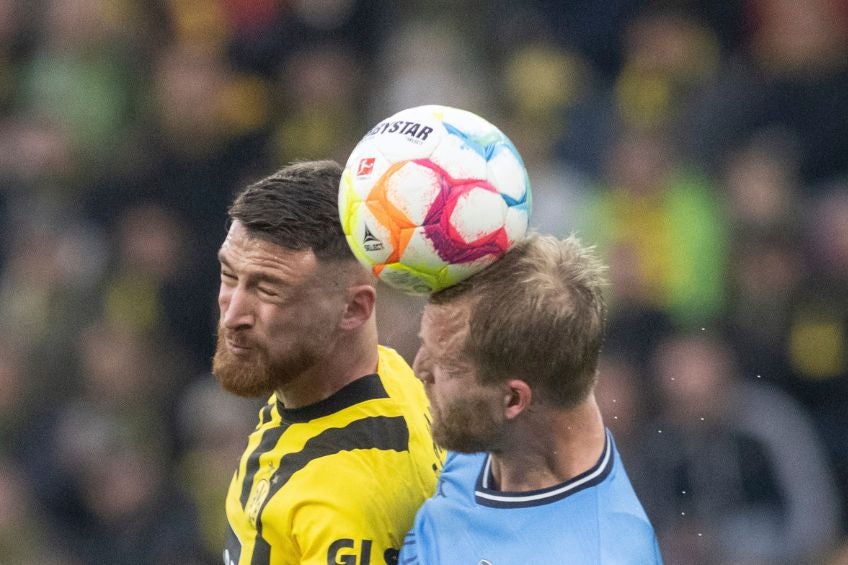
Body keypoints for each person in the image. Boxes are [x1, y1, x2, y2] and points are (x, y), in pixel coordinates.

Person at [213, 160, 442, 565]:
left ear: (353, 309)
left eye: (268, 290)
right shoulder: (384, 372)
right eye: (230, 277)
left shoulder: (346, 497)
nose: (233, 315)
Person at [399, 233, 662, 564]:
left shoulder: (598, 553)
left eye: (446, 366)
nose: (418, 369)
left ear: (512, 399)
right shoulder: (491, 426)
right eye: (425, 344)